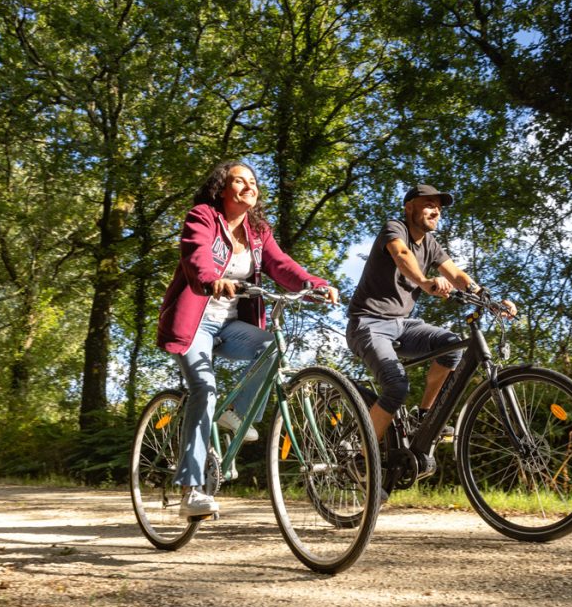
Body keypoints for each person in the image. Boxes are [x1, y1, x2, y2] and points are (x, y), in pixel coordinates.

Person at [157, 161, 338, 517]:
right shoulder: (203, 216)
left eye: (253, 182)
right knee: (203, 390)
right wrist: (212, 279)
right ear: (222, 189)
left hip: (229, 326)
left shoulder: (258, 231)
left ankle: (235, 416)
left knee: (271, 347)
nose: (248, 186)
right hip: (195, 324)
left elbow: (281, 265)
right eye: (239, 181)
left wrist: (314, 285)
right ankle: (190, 490)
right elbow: (196, 254)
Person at [346, 184, 515, 444]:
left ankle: (424, 415)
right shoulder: (395, 228)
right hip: (368, 323)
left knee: (451, 346)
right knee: (397, 386)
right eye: (429, 204)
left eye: (439, 206)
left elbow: (458, 276)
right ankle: (360, 454)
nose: (436, 210)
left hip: (401, 324)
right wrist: (425, 282)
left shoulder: (432, 245)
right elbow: (401, 254)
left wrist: (490, 301)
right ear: (409, 207)